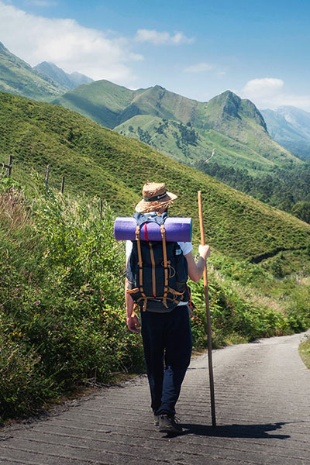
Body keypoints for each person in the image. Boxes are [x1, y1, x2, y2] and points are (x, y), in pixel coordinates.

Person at [125, 182, 210, 434]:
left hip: (147, 307)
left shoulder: (134, 233)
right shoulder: (177, 232)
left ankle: (157, 409)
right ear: (165, 205)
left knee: (153, 361)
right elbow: (194, 275)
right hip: (176, 306)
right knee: (178, 359)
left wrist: (128, 313)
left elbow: (130, 278)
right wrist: (203, 254)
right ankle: (166, 412)